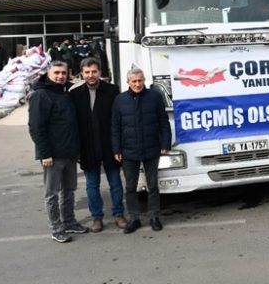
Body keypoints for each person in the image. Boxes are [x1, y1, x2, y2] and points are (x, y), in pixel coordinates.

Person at [28, 60, 89, 243]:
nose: (60, 76)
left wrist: (77, 150)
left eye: (63, 73)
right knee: (52, 193)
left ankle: (69, 221)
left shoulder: (65, 93)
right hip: (52, 155)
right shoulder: (41, 95)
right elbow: (36, 127)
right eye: (56, 73)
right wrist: (44, 153)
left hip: (69, 152)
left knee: (69, 190)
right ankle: (56, 228)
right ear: (48, 74)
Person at [112, 68, 171, 233]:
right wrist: (116, 148)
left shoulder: (155, 97)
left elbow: (163, 122)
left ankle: (154, 216)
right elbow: (115, 127)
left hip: (151, 148)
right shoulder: (120, 100)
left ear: (144, 80)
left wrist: (165, 143)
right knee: (131, 187)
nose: (137, 84)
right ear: (128, 82)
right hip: (128, 151)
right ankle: (134, 218)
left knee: (152, 185)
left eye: (140, 80)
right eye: (134, 81)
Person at [71, 58, 127, 232]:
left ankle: (119, 214)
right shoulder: (75, 95)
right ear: (82, 73)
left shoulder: (112, 91)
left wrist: (119, 146)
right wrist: (77, 150)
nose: (90, 75)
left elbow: (118, 120)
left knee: (115, 182)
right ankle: (97, 218)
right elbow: (74, 125)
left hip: (110, 146)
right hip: (88, 148)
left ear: (100, 72)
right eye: (87, 72)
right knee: (91, 185)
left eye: (94, 71)